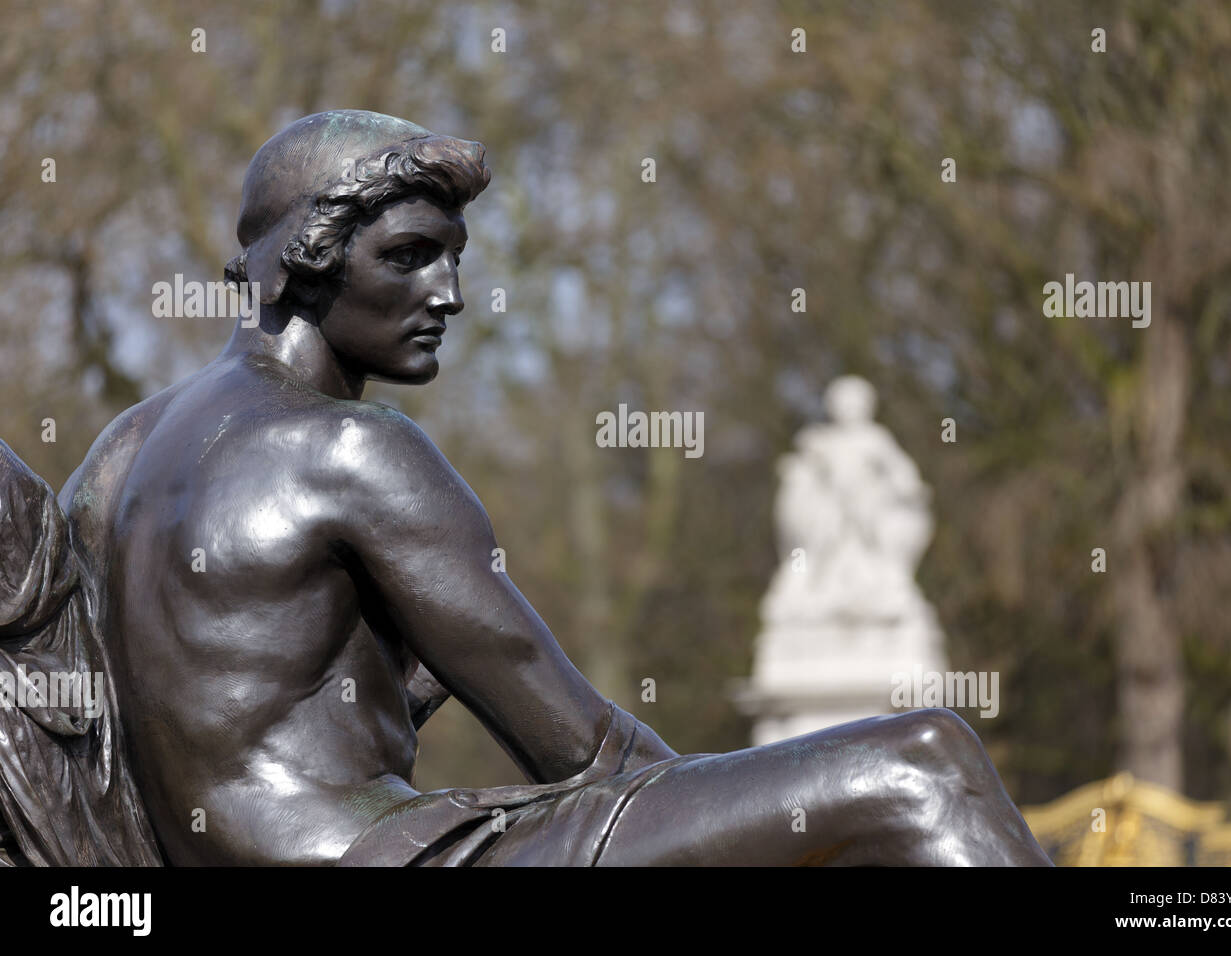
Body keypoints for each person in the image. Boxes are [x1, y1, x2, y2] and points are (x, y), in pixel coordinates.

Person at [9, 110, 1050, 866]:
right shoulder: (355, 448)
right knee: (923, 758)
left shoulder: (121, 451)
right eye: (409, 256)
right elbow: (592, 752)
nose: (449, 295)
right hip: (388, 857)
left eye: (453, 259)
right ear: (303, 260)